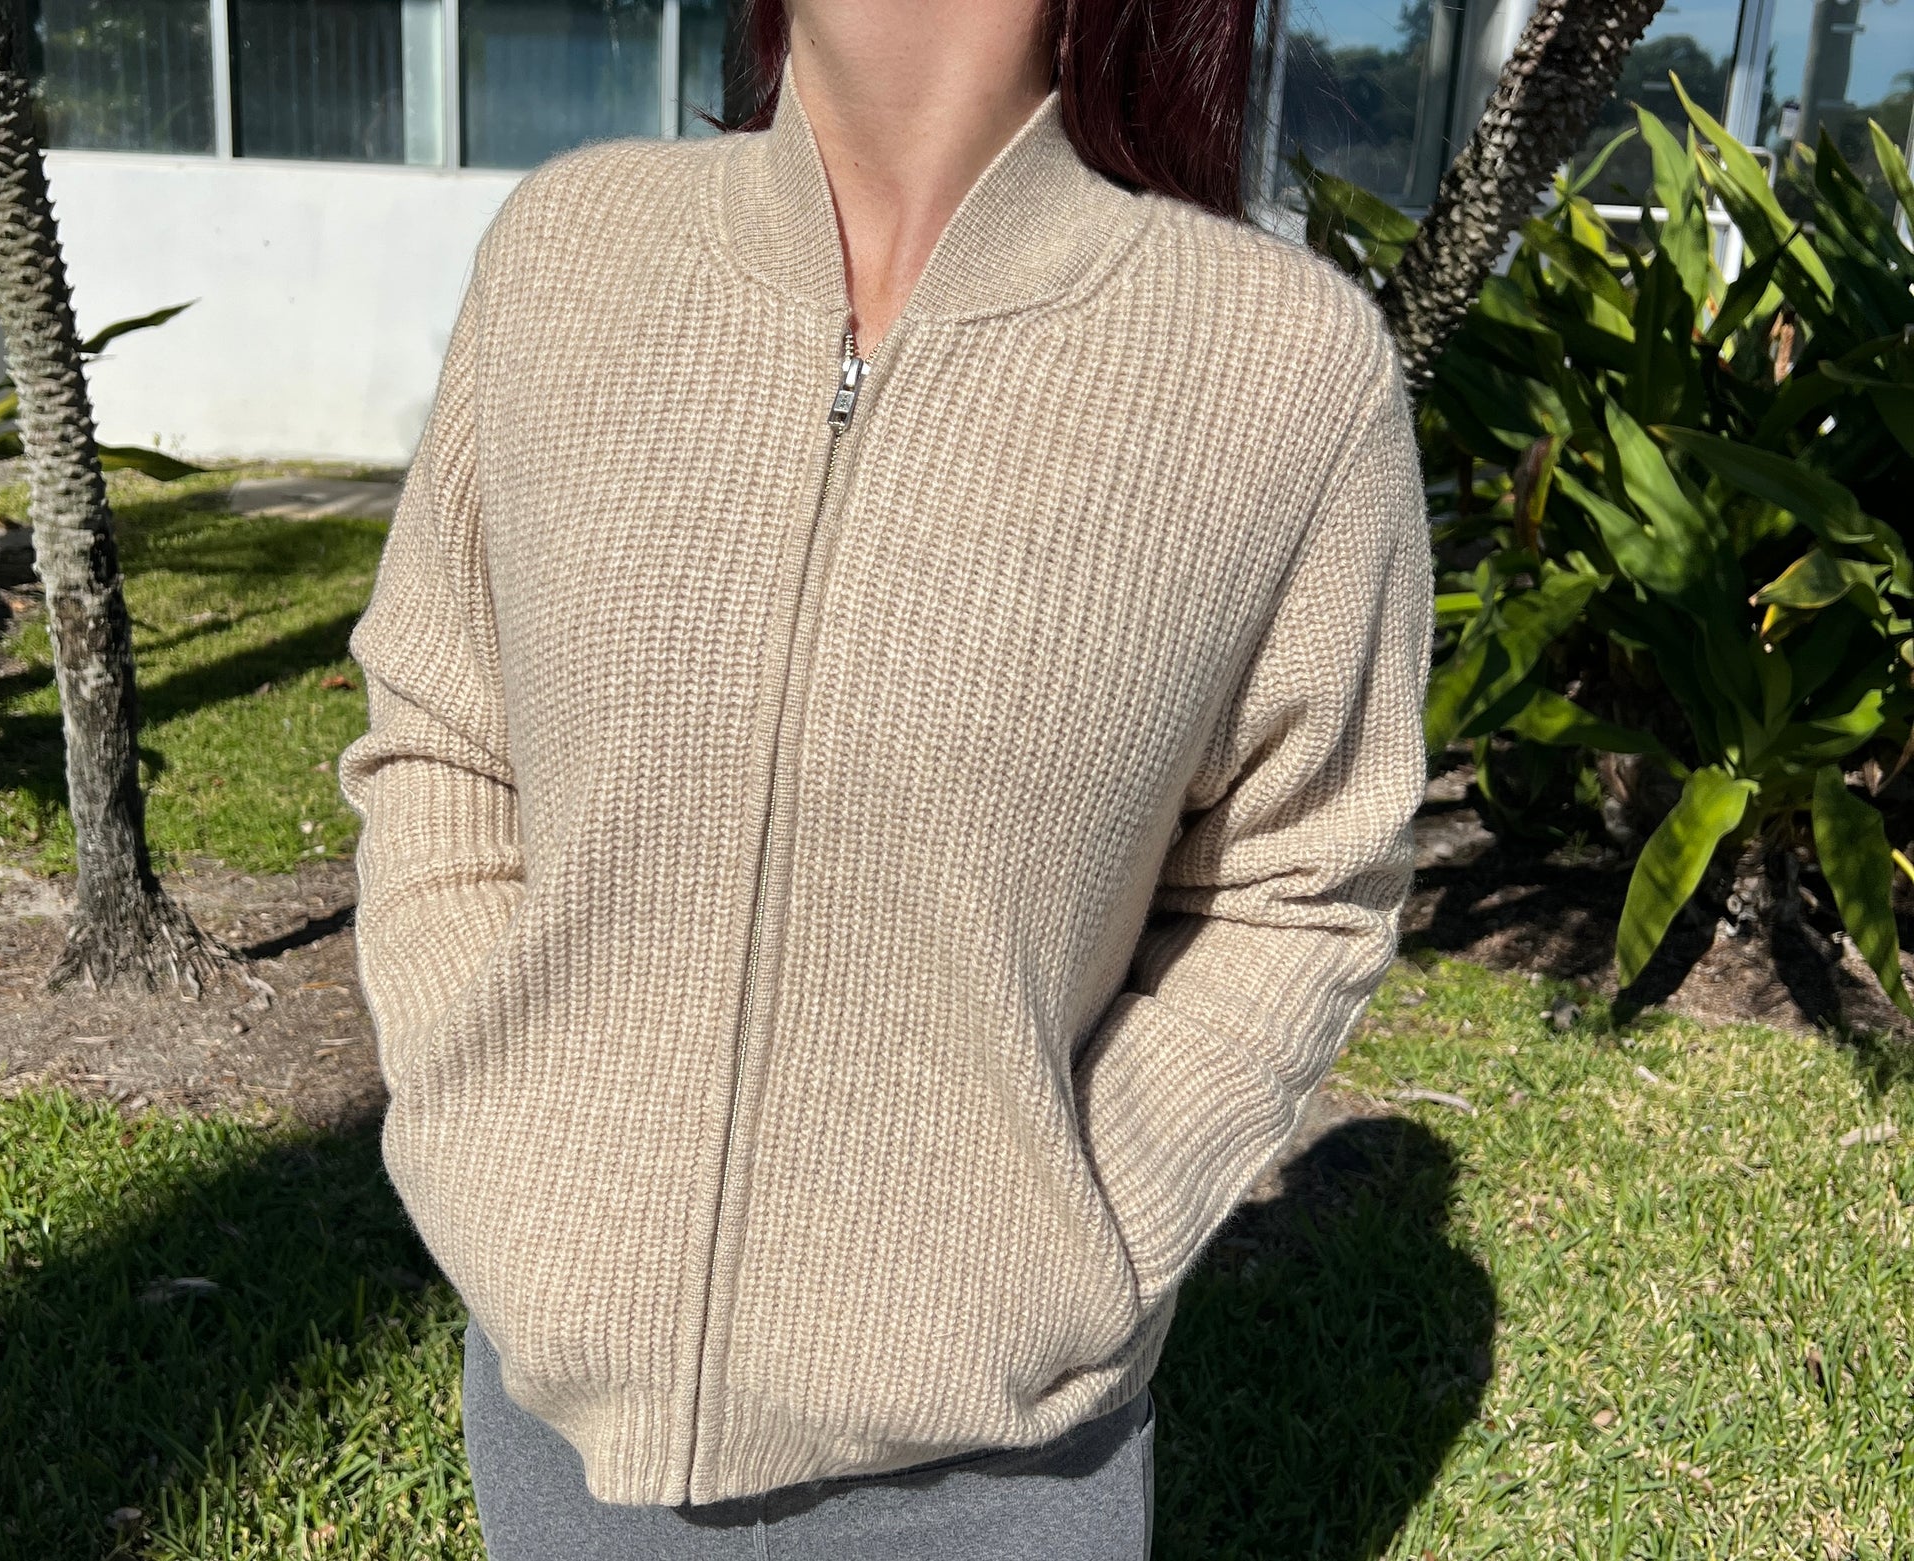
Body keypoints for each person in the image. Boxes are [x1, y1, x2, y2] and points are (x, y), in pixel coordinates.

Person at [337, 0, 1434, 1554]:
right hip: (563, 1438)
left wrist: (1070, 1245)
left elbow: (1301, 883)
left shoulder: (1280, 373)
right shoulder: (566, 257)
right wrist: (497, 1143)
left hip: (995, 1476)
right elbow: (444, 731)